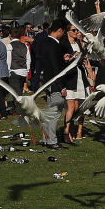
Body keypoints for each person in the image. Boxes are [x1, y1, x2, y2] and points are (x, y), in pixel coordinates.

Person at [35, 18, 72, 148]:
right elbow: (57, 68)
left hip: (47, 80)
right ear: (60, 30)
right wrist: (62, 86)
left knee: (50, 112)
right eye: (64, 32)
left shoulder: (44, 42)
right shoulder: (55, 45)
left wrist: (63, 59)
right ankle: (52, 141)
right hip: (55, 82)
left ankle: (46, 139)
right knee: (55, 112)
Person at [61, 24, 88, 145]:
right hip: (69, 78)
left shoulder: (78, 44)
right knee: (71, 107)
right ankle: (66, 133)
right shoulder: (63, 44)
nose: (76, 32)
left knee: (77, 108)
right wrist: (73, 56)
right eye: (73, 30)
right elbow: (62, 61)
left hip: (79, 77)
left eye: (77, 30)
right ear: (67, 32)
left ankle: (71, 131)